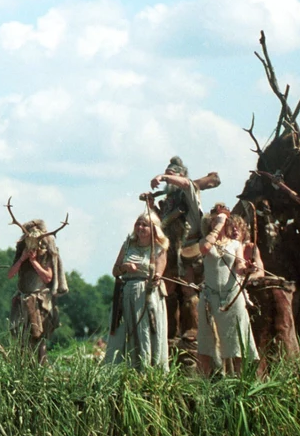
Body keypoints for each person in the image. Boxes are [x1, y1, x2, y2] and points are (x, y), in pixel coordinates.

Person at [145, 157, 219, 346]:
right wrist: (152, 206)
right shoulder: (169, 201)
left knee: (189, 290)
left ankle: (192, 330)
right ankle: (170, 331)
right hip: (168, 252)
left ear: (181, 175)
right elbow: (160, 225)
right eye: (167, 172)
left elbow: (187, 184)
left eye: (172, 173)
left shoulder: (189, 192)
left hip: (188, 250)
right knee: (168, 290)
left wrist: (163, 176)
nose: (168, 176)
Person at [196, 205, 261, 376]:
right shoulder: (205, 241)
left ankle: (240, 381)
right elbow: (204, 249)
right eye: (216, 219)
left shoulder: (235, 244)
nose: (221, 222)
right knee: (206, 343)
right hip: (210, 298)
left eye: (224, 219)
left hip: (232, 296)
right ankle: (205, 383)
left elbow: (239, 266)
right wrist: (218, 225)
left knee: (238, 342)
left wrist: (247, 269)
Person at [104, 210, 169, 370]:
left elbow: (159, 272)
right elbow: (115, 270)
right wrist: (125, 267)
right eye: (138, 223)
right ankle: (121, 371)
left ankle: (147, 371)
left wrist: (156, 276)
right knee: (123, 332)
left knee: (145, 331)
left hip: (147, 295)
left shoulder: (159, 247)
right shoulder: (128, 245)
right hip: (126, 292)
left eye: (144, 225)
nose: (140, 227)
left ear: (153, 228)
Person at [7, 219, 68, 364]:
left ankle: (42, 369)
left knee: (39, 338)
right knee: (23, 339)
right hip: (22, 299)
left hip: (39, 301)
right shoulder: (21, 250)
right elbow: (10, 274)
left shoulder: (46, 253)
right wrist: (22, 259)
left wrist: (34, 261)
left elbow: (48, 277)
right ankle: (24, 370)